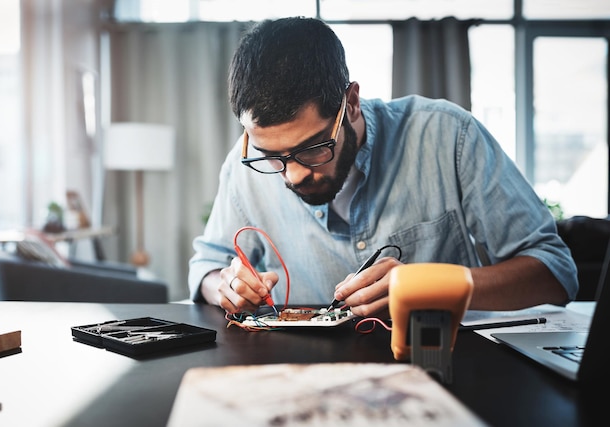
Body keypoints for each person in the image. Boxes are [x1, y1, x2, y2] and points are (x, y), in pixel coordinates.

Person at [188, 16, 578, 317]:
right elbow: (206, 266)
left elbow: (555, 273)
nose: (292, 175)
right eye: (272, 156)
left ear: (351, 102)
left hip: (446, 372)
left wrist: (430, 285)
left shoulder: (449, 137)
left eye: (312, 149)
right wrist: (223, 286)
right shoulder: (244, 168)